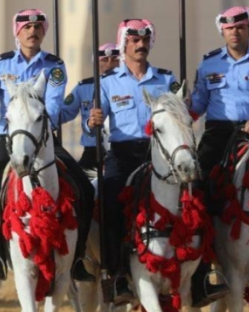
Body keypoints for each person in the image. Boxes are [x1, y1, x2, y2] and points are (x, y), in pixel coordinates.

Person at [0, 9, 95, 282]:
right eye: (27, 27)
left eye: (38, 27)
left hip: (43, 139)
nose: (33, 32)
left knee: (84, 189)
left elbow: (53, 105)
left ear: (44, 32)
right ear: (17, 32)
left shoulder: (54, 66)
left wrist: (36, 122)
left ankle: (78, 257)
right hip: (9, 139)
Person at [188, 6, 249, 307]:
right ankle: (201, 269)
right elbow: (198, 104)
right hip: (217, 135)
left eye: (240, 27)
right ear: (222, 31)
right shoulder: (209, 63)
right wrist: (181, 112)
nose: (235, 32)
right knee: (193, 188)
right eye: (229, 28)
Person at [85, 19, 177, 303]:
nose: (141, 45)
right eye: (134, 40)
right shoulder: (108, 82)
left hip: (158, 153)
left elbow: (180, 114)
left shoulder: (166, 79)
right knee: (108, 204)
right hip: (122, 155)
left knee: (193, 197)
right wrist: (92, 121)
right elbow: (94, 120)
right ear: (123, 44)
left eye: (145, 40)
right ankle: (116, 275)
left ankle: (200, 272)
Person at [61, 43, 120, 175]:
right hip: (93, 149)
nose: (110, 64)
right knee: (76, 180)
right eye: (104, 59)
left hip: (120, 149)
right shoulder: (84, 87)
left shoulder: (129, 86)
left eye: (115, 59)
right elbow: (64, 113)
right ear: (96, 63)